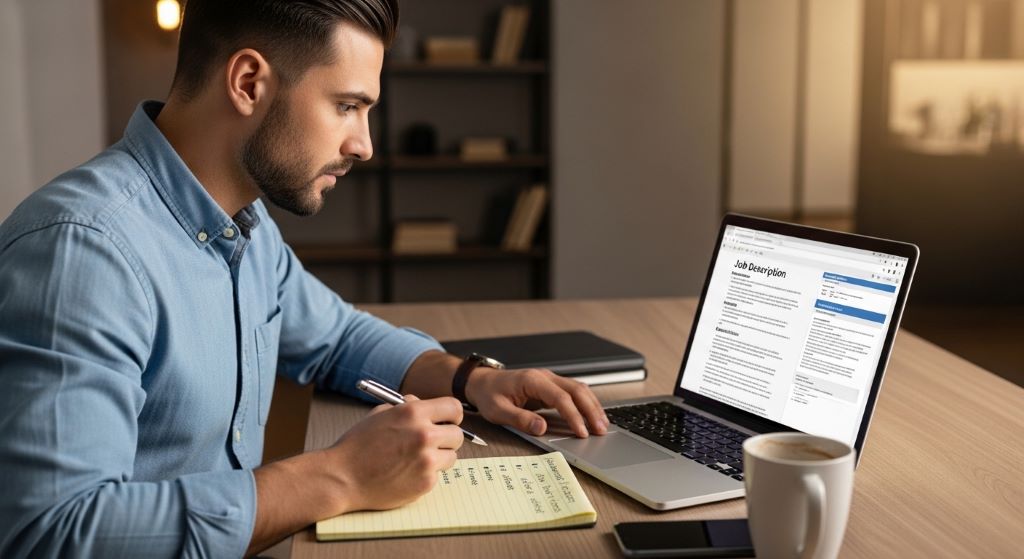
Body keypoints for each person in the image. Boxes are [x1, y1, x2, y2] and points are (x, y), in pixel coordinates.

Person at [0, 1, 609, 556]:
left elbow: (337, 336)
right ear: (248, 84)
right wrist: (338, 476)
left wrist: (472, 378)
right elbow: (53, 530)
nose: (365, 145)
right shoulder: (82, 253)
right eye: (347, 106)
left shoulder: (245, 224)